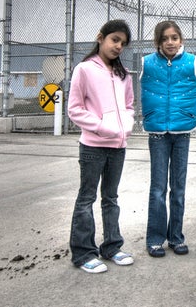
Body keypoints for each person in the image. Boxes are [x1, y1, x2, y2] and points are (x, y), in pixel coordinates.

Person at [67, 19, 135, 274]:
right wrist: (102, 127)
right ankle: (84, 253)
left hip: (118, 145)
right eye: (114, 40)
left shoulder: (123, 74)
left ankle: (112, 247)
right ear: (100, 37)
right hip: (93, 146)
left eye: (123, 43)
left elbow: (129, 106)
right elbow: (74, 109)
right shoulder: (84, 69)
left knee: (111, 198)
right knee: (87, 198)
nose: (118, 46)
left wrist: (125, 126)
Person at [140, 20, 196, 258]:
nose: (170, 42)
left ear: (181, 40)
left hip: (182, 133)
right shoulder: (146, 62)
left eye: (174, 37)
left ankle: (176, 238)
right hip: (157, 134)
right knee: (157, 188)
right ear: (157, 42)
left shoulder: (192, 61)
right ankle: (155, 239)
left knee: (178, 188)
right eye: (165, 38)